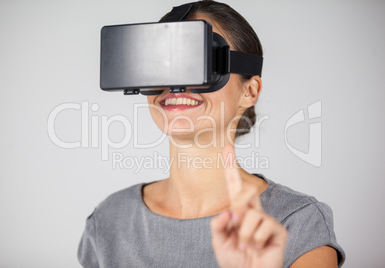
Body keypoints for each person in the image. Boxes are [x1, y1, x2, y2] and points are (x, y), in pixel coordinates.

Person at [78, 1, 345, 267]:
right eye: (161, 63)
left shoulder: (297, 223)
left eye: (198, 62)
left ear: (249, 91)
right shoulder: (108, 221)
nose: (175, 87)